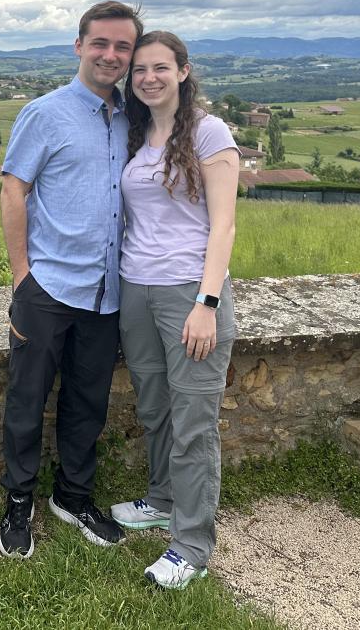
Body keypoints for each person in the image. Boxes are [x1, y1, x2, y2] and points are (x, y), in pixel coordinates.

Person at [0, 0, 141, 558]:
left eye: (122, 46)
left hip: (109, 292)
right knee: (26, 401)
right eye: (100, 43)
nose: (110, 55)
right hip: (50, 288)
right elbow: (14, 189)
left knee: (89, 402)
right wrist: (21, 278)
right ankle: (18, 502)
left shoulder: (134, 118)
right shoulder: (45, 113)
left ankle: (74, 496)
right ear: (79, 45)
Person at [110, 31, 240, 589]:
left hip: (189, 292)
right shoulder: (137, 134)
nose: (148, 78)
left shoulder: (210, 133)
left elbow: (224, 225)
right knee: (156, 410)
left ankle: (190, 545)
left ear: (183, 72)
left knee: (193, 423)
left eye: (160, 68)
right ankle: (162, 499)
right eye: (139, 70)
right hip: (135, 291)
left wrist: (206, 303)